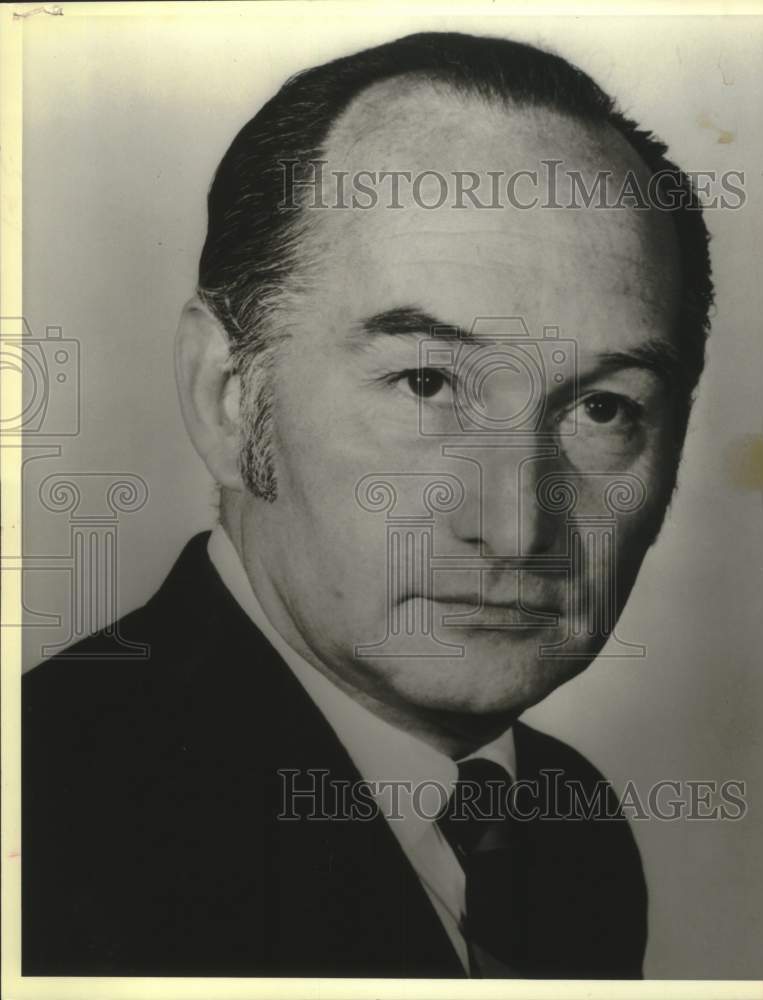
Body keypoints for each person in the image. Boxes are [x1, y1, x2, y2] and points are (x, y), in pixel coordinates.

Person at [22, 31, 713, 979]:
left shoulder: (567, 823)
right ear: (230, 396)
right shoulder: (43, 815)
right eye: (428, 382)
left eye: (604, 407)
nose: (517, 529)